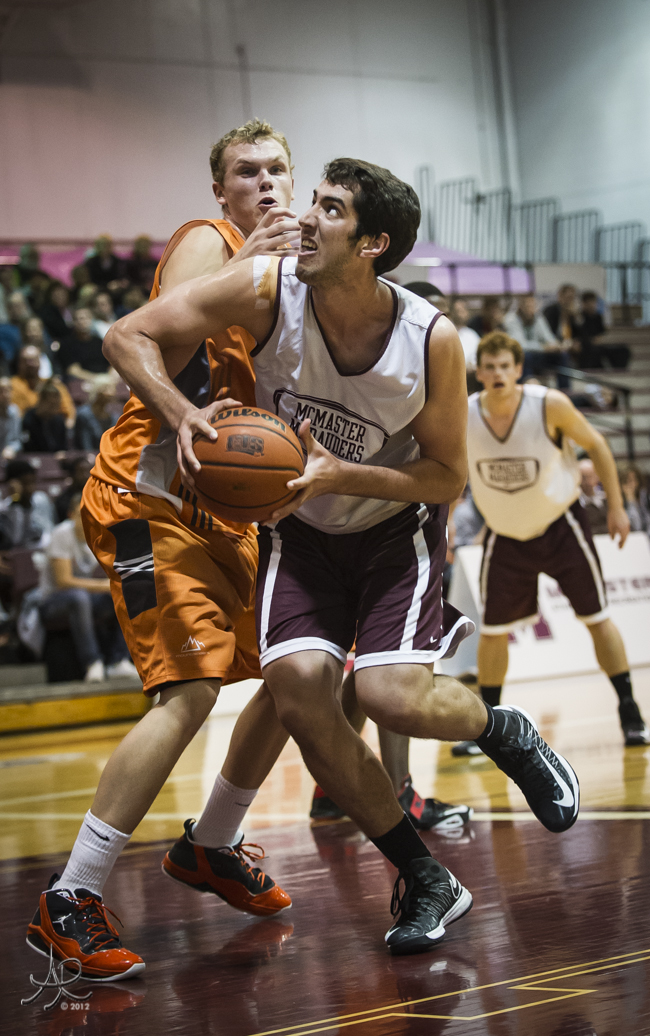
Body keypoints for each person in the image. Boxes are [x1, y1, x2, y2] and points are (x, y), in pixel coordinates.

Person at [101, 158, 578, 961]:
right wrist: (182, 416)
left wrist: (340, 473)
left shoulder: (432, 339)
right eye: (312, 200)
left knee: (388, 695)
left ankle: (505, 729)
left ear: (373, 244)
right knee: (297, 693)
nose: (305, 216)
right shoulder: (266, 289)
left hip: (394, 529)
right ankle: (425, 878)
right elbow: (128, 335)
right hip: (301, 533)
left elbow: (444, 475)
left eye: (329, 208)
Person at [26, 117, 303, 982]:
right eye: (245, 171)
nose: (264, 182)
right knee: (185, 695)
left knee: (303, 674)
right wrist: (185, 414)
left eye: (278, 169)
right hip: (149, 500)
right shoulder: (207, 244)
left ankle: (213, 844)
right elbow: (138, 338)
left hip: (229, 518)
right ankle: (72, 893)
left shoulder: (294, 285)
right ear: (219, 191)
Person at [451, 331, 649, 757]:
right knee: (492, 632)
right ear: (479, 373)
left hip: (561, 527)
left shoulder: (548, 404)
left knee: (596, 617)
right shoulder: (464, 414)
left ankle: (631, 712)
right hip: (505, 534)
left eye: (506, 365)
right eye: (491, 367)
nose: (499, 373)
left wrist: (616, 507)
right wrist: (447, 522)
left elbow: (596, 445)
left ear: (519, 369)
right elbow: (452, 471)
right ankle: (489, 728)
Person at [39, 493, 135, 682]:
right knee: (79, 597)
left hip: (83, 597)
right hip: (51, 601)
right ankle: (92, 662)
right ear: (70, 515)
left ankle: (119, 661)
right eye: (81, 513)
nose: (87, 517)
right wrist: (103, 585)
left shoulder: (99, 534)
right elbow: (63, 581)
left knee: (124, 595)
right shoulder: (61, 534)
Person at [503, 293, 571, 387]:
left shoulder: (538, 318)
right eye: (528, 306)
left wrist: (556, 346)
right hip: (522, 356)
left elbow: (548, 337)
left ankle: (565, 390)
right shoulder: (511, 319)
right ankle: (527, 387)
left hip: (539, 355)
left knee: (562, 356)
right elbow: (519, 344)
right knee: (525, 356)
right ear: (521, 306)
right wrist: (543, 347)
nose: (531, 309)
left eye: (533, 305)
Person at [10, 344, 76, 425]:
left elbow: (69, 414)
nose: (29, 364)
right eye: (25, 360)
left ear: (40, 361)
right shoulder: (10, 386)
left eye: (33, 360)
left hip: (53, 430)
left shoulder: (53, 384)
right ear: (19, 363)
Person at [0, 458, 55, 549]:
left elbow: (50, 528)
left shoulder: (41, 499)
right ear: (12, 484)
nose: (31, 488)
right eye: (25, 483)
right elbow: (15, 539)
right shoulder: (6, 508)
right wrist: (17, 500)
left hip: (48, 548)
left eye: (33, 482)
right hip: (22, 555)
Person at [578, 292, 630, 370]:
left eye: (594, 302)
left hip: (598, 344)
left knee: (623, 350)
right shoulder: (579, 317)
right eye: (590, 302)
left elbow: (601, 332)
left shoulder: (598, 317)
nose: (592, 305)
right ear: (584, 303)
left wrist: (599, 338)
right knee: (592, 349)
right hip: (585, 344)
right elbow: (578, 333)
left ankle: (618, 370)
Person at [59, 307, 110, 381]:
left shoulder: (99, 342)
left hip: (105, 380)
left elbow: (112, 366)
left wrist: (110, 378)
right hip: (82, 383)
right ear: (73, 322)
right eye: (78, 319)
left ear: (92, 320)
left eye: (86, 318)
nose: (82, 321)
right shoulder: (67, 344)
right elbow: (73, 370)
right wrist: (97, 379)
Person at [73, 375, 119, 452]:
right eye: (108, 389)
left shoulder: (114, 416)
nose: (113, 393)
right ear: (98, 391)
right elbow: (85, 446)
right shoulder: (84, 415)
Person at [21, 379, 69, 453]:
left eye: (57, 405)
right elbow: (26, 446)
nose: (54, 409)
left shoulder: (59, 420)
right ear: (41, 401)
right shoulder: (28, 419)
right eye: (51, 404)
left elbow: (63, 446)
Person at [578, 457, 609, 536]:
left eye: (591, 476)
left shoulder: (606, 499)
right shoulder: (574, 503)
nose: (589, 482)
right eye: (584, 477)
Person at [449, 298, 480, 374]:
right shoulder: (445, 332)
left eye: (463, 310)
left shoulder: (472, 335)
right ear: (451, 312)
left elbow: (477, 361)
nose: (460, 314)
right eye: (457, 311)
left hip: (469, 377)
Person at [619, 463, 649, 535]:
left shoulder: (644, 497)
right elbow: (636, 526)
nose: (631, 485)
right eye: (626, 481)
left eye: (633, 480)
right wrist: (630, 501)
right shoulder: (618, 502)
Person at [0, 376, 23, 458]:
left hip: (9, 457)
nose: (5, 395)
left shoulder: (15, 411)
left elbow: (17, 440)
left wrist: (11, 448)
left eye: (7, 391)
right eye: (1, 392)